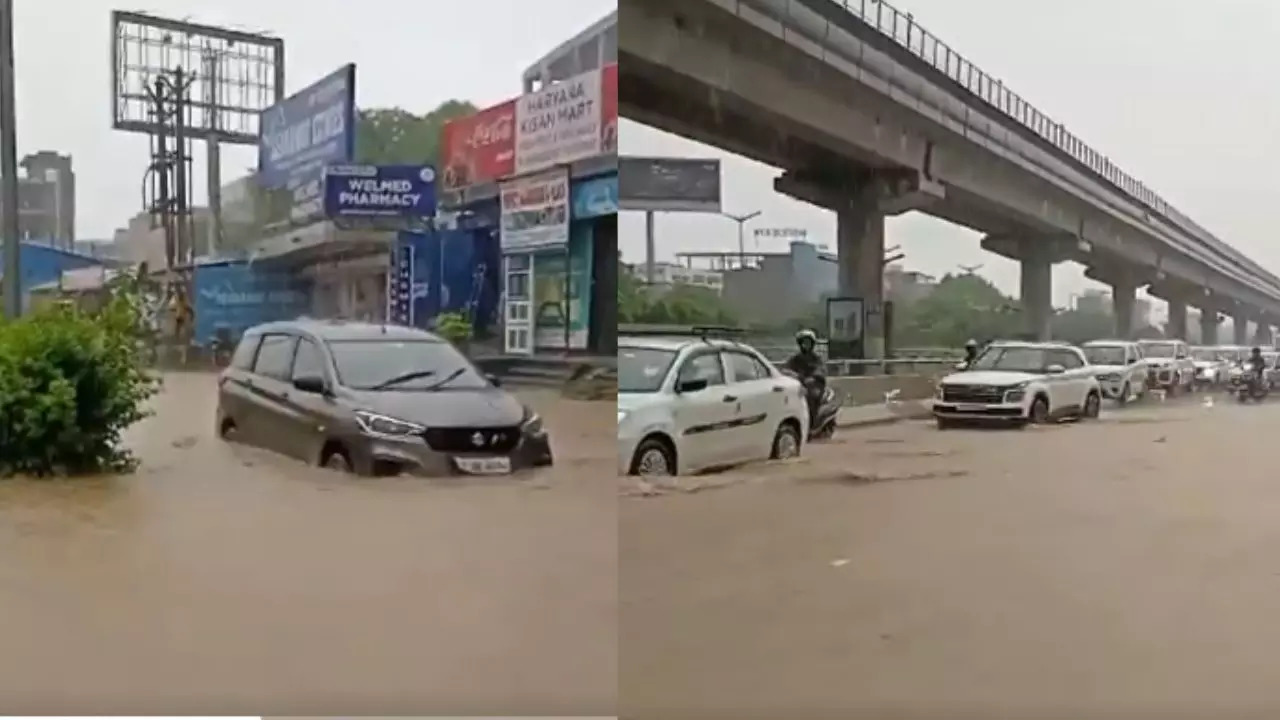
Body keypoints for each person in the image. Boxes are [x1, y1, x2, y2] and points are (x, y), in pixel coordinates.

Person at [785, 329, 826, 422]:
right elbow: (786, 368)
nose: (806, 345)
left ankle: (813, 420)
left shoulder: (816, 358)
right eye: (804, 342)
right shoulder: (796, 359)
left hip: (814, 385)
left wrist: (813, 377)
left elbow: (820, 369)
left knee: (811, 396)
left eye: (808, 342)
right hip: (799, 384)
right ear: (800, 344)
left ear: (812, 344)